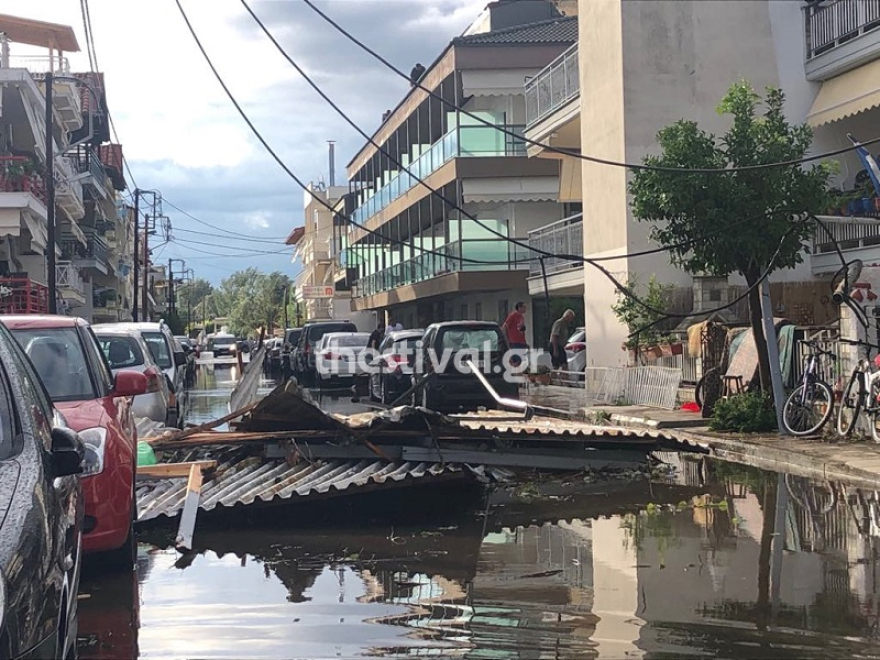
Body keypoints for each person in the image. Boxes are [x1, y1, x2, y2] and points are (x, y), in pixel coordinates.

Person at [501, 301, 528, 366]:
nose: (525, 309)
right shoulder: (513, 316)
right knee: (516, 359)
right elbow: (505, 327)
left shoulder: (521, 317)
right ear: (519, 308)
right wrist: (506, 339)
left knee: (522, 360)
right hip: (514, 341)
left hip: (521, 341)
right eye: (524, 307)